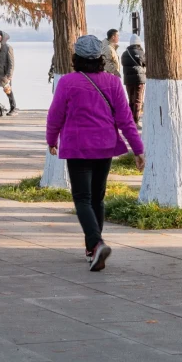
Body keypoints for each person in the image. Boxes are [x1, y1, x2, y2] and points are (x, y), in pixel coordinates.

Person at [46, 33, 143, 272]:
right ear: (100, 57)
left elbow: (55, 114)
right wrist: (138, 149)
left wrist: (51, 139)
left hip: (78, 147)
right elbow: (126, 120)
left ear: (76, 57)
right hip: (104, 146)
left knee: (82, 198)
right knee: (97, 198)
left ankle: (96, 242)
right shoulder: (112, 82)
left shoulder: (68, 82)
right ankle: (93, 248)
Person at [121, 35, 146, 124]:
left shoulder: (124, 53)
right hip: (140, 79)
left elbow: (123, 63)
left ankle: (130, 120)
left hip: (128, 80)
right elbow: (145, 63)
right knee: (138, 100)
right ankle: (136, 120)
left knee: (131, 99)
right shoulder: (141, 53)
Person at [0, 30, 17, 115]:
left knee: (8, 92)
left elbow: (11, 63)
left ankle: (13, 108)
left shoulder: (8, 47)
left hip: (4, 75)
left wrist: (9, 75)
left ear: (3, 37)